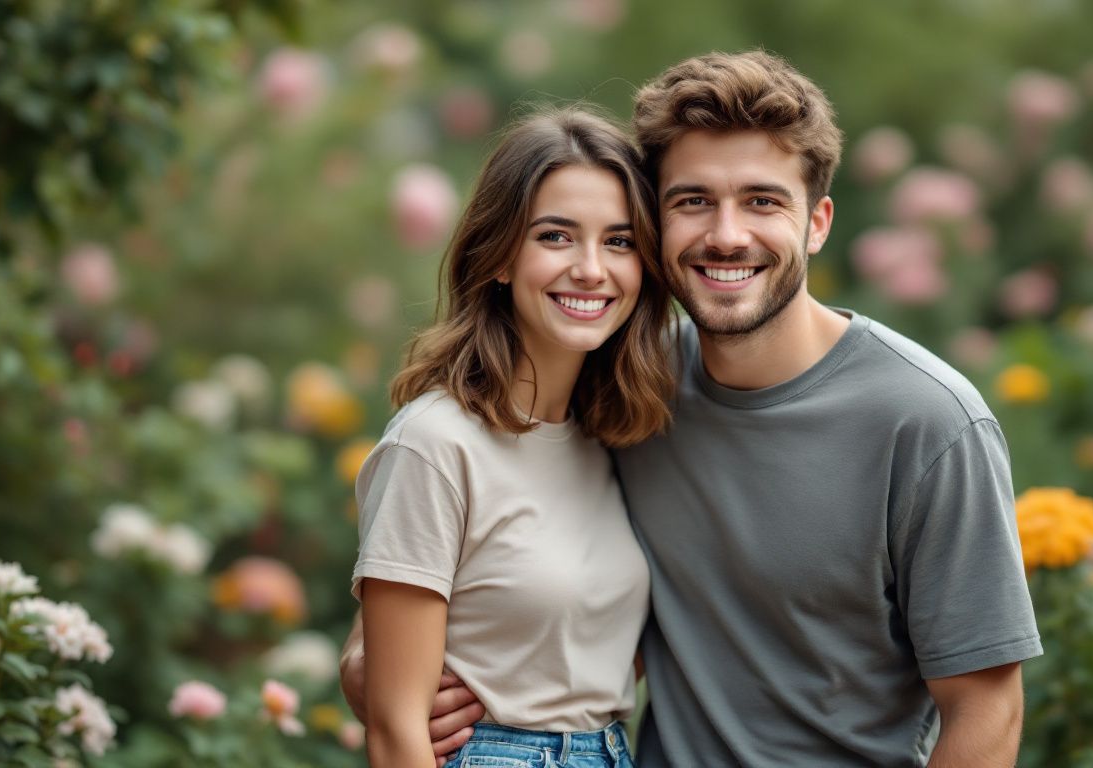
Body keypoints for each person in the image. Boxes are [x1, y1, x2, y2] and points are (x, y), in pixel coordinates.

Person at [345, 51, 1042, 768]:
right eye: (693, 201)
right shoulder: (630, 392)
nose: (727, 235)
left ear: (818, 222)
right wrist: (373, 659)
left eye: (763, 201)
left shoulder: (928, 422)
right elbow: (465, 520)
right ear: (656, 222)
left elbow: (987, 707)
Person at [351, 107, 675, 768]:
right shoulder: (435, 445)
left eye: (618, 242)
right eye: (556, 237)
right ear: (499, 255)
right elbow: (395, 730)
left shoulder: (613, 436)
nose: (591, 269)